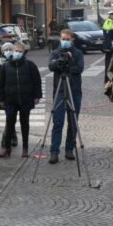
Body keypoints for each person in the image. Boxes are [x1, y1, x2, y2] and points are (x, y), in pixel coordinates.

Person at [0, 42, 42, 158]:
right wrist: (1, 98)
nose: (17, 53)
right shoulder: (5, 66)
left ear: (24, 53)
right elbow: (0, 84)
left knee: (24, 124)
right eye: (15, 51)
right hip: (10, 100)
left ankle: (25, 148)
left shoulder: (30, 65)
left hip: (26, 99)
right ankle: (7, 148)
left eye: (20, 51)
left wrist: (37, 96)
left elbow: (37, 81)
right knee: (10, 123)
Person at [48, 29, 84, 164]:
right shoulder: (55, 53)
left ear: (72, 39)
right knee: (58, 122)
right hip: (59, 90)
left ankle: (69, 149)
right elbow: (51, 66)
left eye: (68, 39)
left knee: (73, 122)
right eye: (63, 38)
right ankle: (54, 152)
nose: (65, 41)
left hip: (74, 91)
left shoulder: (78, 53)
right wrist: (60, 61)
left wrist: (68, 61)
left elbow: (79, 69)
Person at [102, 11, 113, 83]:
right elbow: (108, 37)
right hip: (109, 48)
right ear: (111, 15)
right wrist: (109, 47)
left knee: (110, 64)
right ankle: (108, 80)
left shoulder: (111, 22)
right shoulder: (108, 23)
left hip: (110, 47)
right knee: (109, 64)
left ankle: (108, 80)